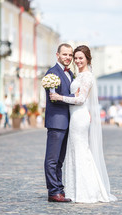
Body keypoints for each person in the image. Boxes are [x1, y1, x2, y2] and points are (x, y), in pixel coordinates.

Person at [50, 45, 117, 203]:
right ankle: (75, 190)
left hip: (79, 117)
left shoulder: (87, 76)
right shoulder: (78, 75)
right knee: (75, 152)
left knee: (81, 152)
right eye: (76, 58)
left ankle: (87, 191)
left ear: (88, 59)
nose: (78, 61)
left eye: (81, 58)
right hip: (74, 116)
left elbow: (80, 100)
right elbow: (75, 95)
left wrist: (60, 97)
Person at [44, 43, 76, 203]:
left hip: (67, 121)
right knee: (52, 159)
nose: (68, 58)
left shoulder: (70, 73)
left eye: (70, 55)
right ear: (57, 55)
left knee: (60, 160)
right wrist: (75, 97)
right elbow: (54, 98)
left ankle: (59, 189)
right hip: (56, 121)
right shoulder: (52, 73)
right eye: (65, 54)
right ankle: (54, 191)